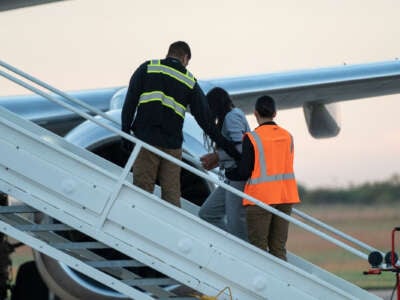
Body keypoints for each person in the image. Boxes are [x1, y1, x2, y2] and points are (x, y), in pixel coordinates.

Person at [121, 41, 240, 208]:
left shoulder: (148, 68)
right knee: (171, 196)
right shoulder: (189, 80)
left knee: (142, 191)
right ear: (185, 58)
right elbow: (205, 120)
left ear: (169, 52)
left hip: (147, 140)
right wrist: (228, 147)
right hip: (172, 146)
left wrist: (125, 131)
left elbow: (130, 101)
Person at [225, 95, 301, 260]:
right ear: (275, 113)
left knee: (258, 249)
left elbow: (244, 172)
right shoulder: (288, 136)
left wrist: (228, 173)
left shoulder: (252, 138)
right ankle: (281, 284)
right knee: (278, 248)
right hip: (285, 197)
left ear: (255, 114)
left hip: (261, 198)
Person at [198, 87, 250, 240]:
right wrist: (219, 159)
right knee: (207, 213)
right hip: (231, 177)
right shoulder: (233, 115)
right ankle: (234, 245)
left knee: (236, 226)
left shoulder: (231, 117)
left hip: (238, 178)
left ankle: (242, 253)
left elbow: (241, 149)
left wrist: (217, 156)